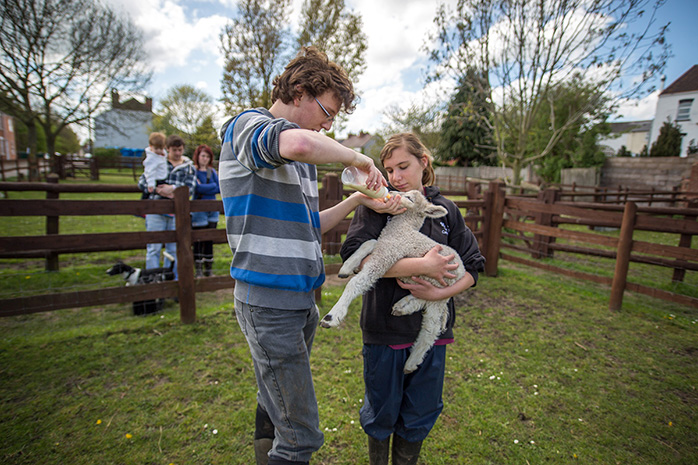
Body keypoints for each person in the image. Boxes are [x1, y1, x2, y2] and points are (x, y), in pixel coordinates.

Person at [218, 46, 404, 465]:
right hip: (269, 302)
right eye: (327, 111)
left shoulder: (298, 161)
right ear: (299, 91)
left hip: (301, 299)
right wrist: (358, 157)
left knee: (276, 401)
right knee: (301, 436)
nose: (329, 124)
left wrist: (358, 199)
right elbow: (302, 142)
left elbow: (309, 225)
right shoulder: (248, 126)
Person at [339, 133, 485, 465]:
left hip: (431, 336)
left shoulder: (445, 210)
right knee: (381, 412)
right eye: (389, 170)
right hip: (384, 330)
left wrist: (439, 292)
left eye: (403, 167)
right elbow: (355, 258)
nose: (396, 178)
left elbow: (474, 266)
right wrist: (423, 266)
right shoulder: (378, 205)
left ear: (424, 162)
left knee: (419, 413)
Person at [138, 134, 197, 279]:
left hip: (176, 212)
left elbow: (191, 187)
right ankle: (153, 282)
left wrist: (173, 189)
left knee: (173, 248)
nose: (177, 153)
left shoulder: (188, 167)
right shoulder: (157, 161)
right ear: (167, 149)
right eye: (174, 150)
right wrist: (158, 189)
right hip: (156, 209)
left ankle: (172, 281)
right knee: (154, 248)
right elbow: (142, 182)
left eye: (180, 150)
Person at [191, 144, 220, 277]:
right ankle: (198, 269)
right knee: (198, 239)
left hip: (212, 208)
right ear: (197, 156)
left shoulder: (211, 172)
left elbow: (218, 187)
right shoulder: (193, 171)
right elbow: (196, 188)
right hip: (198, 209)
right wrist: (210, 186)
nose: (205, 159)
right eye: (203, 156)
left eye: (208, 156)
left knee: (209, 238)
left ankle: (209, 268)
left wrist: (205, 186)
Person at [141, 132, 168, 199]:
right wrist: (151, 184)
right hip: (155, 179)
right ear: (150, 146)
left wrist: (163, 153)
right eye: (156, 148)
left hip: (161, 178)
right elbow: (149, 171)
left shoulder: (160, 155)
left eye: (161, 149)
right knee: (147, 196)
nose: (159, 151)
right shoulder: (151, 158)